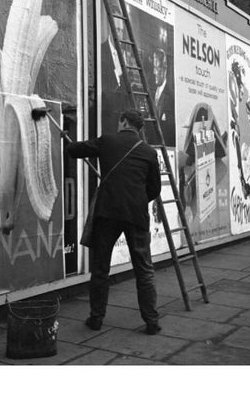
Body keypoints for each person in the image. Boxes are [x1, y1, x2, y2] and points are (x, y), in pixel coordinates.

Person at [66, 109, 162, 335]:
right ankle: (151, 321)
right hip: (136, 214)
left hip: (107, 213)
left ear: (124, 122)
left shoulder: (108, 141)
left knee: (100, 269)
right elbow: (154, 189)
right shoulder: (148, 152)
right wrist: (136, 198)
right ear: (139, 127)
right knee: (144, 270)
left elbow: (75, 150)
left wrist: (66, 137)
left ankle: (96, 318)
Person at [152, 47, 175, 146]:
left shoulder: (170, 96)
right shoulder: (152, 90)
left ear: (165, 69)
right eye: (154, 67)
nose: (154, 72)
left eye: (157, 68)